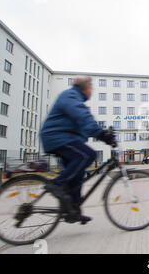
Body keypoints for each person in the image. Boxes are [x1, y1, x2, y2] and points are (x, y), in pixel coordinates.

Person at [40, 76, 116, 224]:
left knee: (77, 175)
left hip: (64, 138)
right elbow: (83, 117)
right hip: (57, 138)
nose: (92, 91)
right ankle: (56, 184)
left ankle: (73, 211)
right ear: (86, 88)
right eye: (92, 88)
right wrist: (101, 134)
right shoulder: (71, 96)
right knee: (87, 155)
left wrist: (102, 134)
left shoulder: (74, 98)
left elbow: (84, 127)